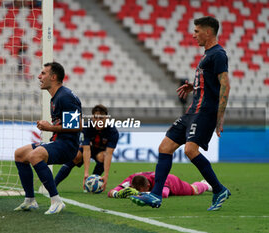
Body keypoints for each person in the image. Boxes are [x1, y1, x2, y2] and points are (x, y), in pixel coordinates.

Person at [130, 16, 231, 211]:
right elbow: (210, 82)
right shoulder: (207, 55)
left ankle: (219, 189)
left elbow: (225, 85)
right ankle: (156, 195)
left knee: (190, 151)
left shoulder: (219, 54)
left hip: (204, 112)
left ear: (208, 32)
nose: (193, 35)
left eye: (196, 31)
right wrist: (194, 87)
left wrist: (220, 117)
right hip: (193, 110)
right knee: (165, 147)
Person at [14, 62, 81, 214]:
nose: (39, 76)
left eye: (43, 73)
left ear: (54, 77)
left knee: (34, 155)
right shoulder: (57, 97)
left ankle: (56, 201)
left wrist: (49, 127)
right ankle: (30, 200)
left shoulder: (65, 97)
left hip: (67, 146)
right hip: (57, 141)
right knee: (19, 154)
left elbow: (76, 126)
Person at [54, 104, 119, 191]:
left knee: (103, 157)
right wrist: (86, 173)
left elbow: (108, 154)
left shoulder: (112, 131)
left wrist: (106, 176)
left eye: (101, 118)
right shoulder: (87, 127)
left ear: (106, 118)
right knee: (76, 156)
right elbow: (86, 150)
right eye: (95, 118)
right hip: (89, 149)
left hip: (101, 152)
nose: (98, 121)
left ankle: (92, 184)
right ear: (92, 118)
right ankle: (54, 184)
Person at [108, 171, 212, 198]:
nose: (139, 193)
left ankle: (206, 184)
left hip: (172, 182)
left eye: (141, 191)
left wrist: (142, 194)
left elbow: (164, 194)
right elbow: (111, 192)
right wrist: (118, 194)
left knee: (194, 190)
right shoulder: (131, 179)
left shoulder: (160, 179)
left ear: (148, 186)